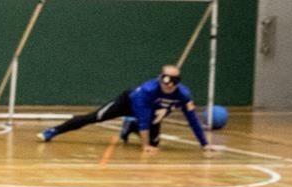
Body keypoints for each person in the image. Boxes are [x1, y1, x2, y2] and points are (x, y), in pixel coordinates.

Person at [37, 65, 213, 155]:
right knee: (94, 117)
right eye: (163, 83)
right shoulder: (147, 91)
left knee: (156, 144)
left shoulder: (184, 95)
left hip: (153, 114)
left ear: (176, 83)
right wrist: (145, 146)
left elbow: (192, 119)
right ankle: (53, 131)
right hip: (127, 104)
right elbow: (144, 118)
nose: (165, 87)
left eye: (170, 85)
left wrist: (204, 144)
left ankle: (130, 127)